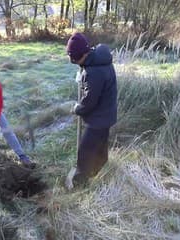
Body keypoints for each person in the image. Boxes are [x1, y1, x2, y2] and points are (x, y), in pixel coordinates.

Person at [65, 32, 117, 189]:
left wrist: (77, 109)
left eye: (74, 59)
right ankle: (98, 172)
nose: (73, 62)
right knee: (100, 147)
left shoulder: (93, 72)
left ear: (82, 55)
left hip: (97, 119)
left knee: (85, 152)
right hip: (107, 114)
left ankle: (80, 184)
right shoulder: (99, 60)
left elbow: (89, 102)